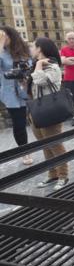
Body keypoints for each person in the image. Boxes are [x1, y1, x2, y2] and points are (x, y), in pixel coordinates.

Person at [30, 37, 70, 190]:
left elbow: (40, 81)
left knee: (55, 144)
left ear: (40, 48)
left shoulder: (52, 67)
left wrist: (39, 64)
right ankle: (52, 174)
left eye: (33, 46)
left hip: (50, 111)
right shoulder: (35, 66)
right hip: (37, 110)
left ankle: (63, 176)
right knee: (45, 145)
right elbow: (32, 87)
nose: (32, 49)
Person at [0, 26, 32, 165]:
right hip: (10, 93)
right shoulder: (1, 52)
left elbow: (30, 65)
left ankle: (49, 147)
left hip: (27, 90)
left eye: (3, 36)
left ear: (11, 36)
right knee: (19, 124)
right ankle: (24, 152)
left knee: (38, 120)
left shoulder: (24, 50)